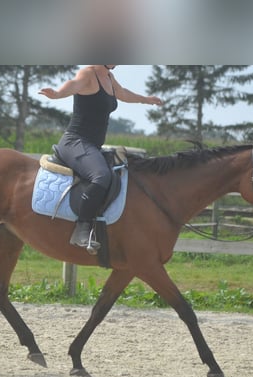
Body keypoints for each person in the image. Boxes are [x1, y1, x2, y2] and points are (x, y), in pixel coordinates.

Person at [39, 65, 163, 252]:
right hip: (75, 142)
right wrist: (57, 94)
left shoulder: (109, 78)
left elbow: (123, 94)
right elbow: (73, 84)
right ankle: (82, 229)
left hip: (93, 146)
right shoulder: (88, 74)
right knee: (101, 176)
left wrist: (145, 100)